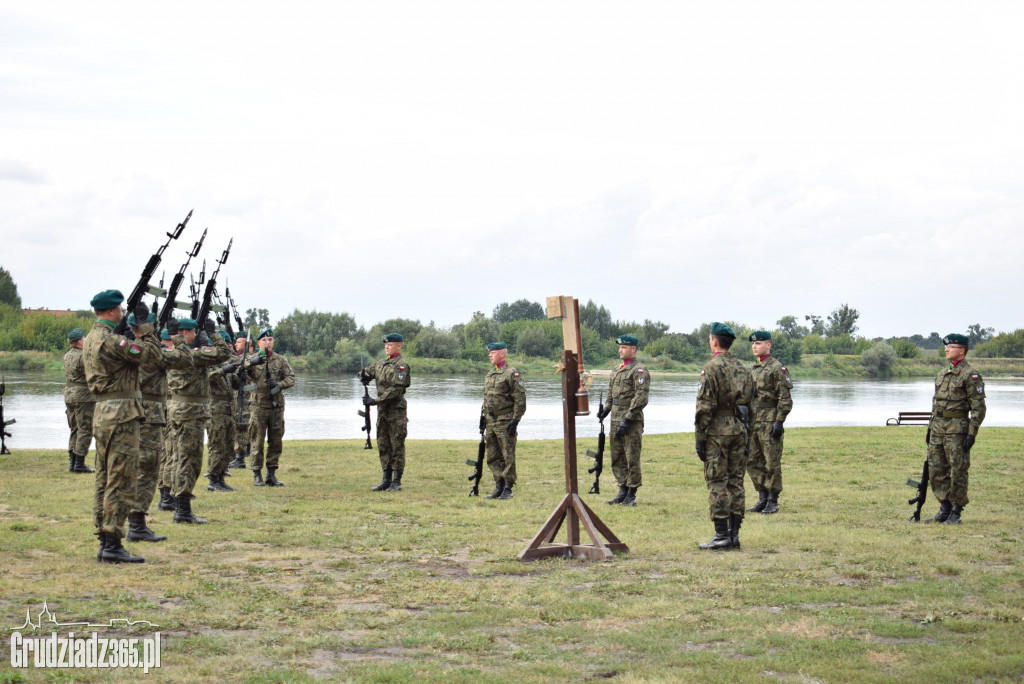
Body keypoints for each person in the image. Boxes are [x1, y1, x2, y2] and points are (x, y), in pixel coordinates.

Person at [82, 290, 161, 563]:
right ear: (111, 311)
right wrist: (145, 327)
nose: (122, 312)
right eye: (119, 309)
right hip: (122, 415)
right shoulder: (112, 340)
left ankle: (105, 539)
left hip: (103, 412)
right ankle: (113, 543)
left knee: (105, 476)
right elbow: (151, 354)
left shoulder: (91, 338)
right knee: (122, 478)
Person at [164, 318, 232, 523]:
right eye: (194, 332)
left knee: (175, 456)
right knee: (189, 459)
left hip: (176, 409)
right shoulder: (194, 355)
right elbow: (224, 353)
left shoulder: (171, 353)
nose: (196, 335)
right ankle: (182, 510)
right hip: (191, 412)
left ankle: (170, 498)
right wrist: (213, 334)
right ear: (187, 333)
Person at [126, 312, 186, 543]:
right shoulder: (153, 351)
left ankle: (132, 522)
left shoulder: (126, 347)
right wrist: (176, 336)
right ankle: (137, 524)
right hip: (150, 415)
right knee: (148, 468)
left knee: (133, 467)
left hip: (129, 411)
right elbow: (184, 359)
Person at [694, 322, 753, 551]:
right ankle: (734, 535)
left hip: (717, 431)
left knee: (717, 481)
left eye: (710, 339)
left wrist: (700, 438)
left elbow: (704, 407)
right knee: (736, 481)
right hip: (739, 428)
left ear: (715, 341)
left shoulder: (711, 368)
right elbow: (751, 405)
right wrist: (748, 432)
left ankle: (721, 535)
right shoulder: (743, 369)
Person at [923, 333, 987, 525]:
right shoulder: (942, 373)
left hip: (957, 431)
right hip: (938, 429)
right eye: (946, 346)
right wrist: (931, 428)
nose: (947, 349)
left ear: (962, 350)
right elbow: (936, 403)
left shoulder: (970, 375)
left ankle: (956, 512)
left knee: (958, 470)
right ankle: (944, 508)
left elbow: (978, 408)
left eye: (951, 346)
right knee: (936, 468)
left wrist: (971, 433)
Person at [745, 331, 794, 515]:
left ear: (768, 345)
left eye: (758, 343)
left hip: (770, 420)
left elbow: (785, 398)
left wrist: (779, 421)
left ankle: (773, 501)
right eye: (753, 344)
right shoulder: (752, 368)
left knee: (771, 461)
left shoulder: (777, 368)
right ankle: (762, 498)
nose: (754, 346)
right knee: (752, 460)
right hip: (753, 421)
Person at [601, 334, 650, 506]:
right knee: (617, 455)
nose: (620, 350)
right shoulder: (617, 369)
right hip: (615, 418)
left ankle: (631, 494)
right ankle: (622, 490)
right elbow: (611, 392)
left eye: (623, 347)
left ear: (633, 349)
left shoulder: (639, 371)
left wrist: (628, 419)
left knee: (631, 456)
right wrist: (606, 409)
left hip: (631, 420)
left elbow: (641, 397)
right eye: (620, 347)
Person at [360, 333, 411, 492]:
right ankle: (386, 480)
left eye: (390, 344)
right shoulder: (380, 364)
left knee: (396, 445)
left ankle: (397, 481)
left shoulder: (401, 366)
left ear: (399, 346)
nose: (387, 347)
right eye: (386, 345)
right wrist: (363, 375)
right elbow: (366, 372)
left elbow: (396, 390)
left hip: (396, 412)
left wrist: (375, 401)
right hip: (382, 413)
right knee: (383, 444)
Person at [246, 328, 295, 487]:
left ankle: (271, 474)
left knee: (276, 440)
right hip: (258, 406)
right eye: (264, 340)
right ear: (258, 342)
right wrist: (250, 364)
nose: (268, 342)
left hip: (276, 406)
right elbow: (239, 373)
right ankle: (257, 474)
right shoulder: (251, 359)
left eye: (270, 339)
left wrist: (278, 385)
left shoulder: (280, 360)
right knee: (257, 440)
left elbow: (291, 379)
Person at [480, 342, 526, 500]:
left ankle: (508, 488)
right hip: (491, 420)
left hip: (505, 420)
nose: (490, 355)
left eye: (493, 352)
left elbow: (520, 399)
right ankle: (498, 486)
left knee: (507, 454)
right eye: (490, 352)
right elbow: (488, 397)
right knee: (493, 455)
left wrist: (515, 420)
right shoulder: (491, 373)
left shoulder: (512, 373)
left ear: (502, 354)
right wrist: (484, 418)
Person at [206, 331, 238, 492]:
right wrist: (223, 371)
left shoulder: (222, 364)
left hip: (228, 409)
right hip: (215, 409)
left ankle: (221, 476)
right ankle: (213, 479)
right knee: (217, 445)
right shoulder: (207, 363)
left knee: (228, 445)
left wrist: (239, 376)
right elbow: (206, 379)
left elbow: (234, 384)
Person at [63, 328, 95, 474]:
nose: (86, 339)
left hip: (69, 395)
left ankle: (73, 462)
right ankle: (79, 463)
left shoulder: (67, 355)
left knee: (75, 428)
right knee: (85, 429)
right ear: (80, 341)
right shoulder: (83, 357)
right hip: (83, 396)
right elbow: (93, 374)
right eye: (84, 338)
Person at [228, 335, 254, 469]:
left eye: (239, 342)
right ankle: (236, 455)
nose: (236, 344)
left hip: (246, 398)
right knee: (236, 427)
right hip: (235, 398)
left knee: (242, 427)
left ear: (248, 344)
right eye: (236, 342)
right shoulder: (235, 359)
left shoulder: (252, 359)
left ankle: (240, 457)